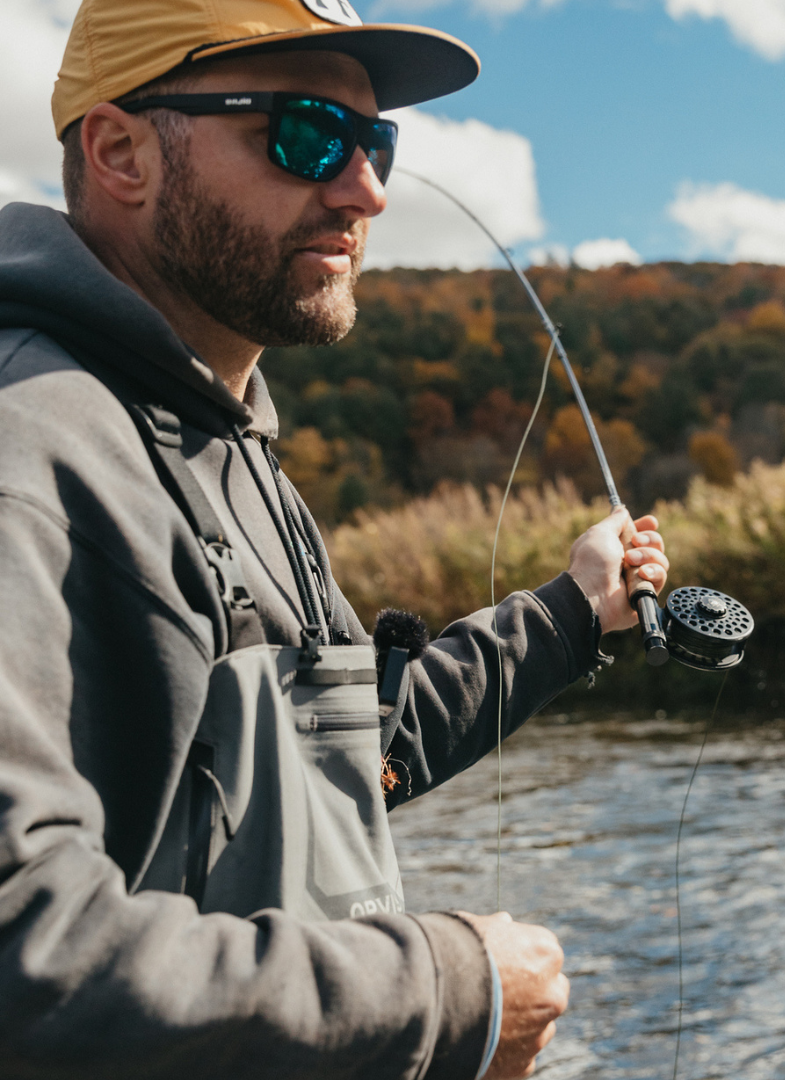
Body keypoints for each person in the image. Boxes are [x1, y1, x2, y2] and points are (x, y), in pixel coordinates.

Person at [0, 1, 670, 1078]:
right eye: (305, 133)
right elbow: (24, 954)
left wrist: (571, 613)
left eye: (376, 143)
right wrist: (447, 995)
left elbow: (344, 757)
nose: (366, 189)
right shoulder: (26, 449)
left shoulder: (232, 447)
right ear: (120, 151)